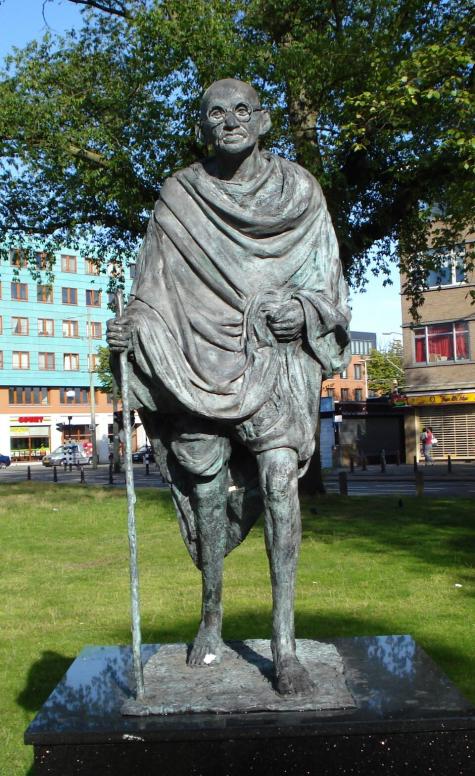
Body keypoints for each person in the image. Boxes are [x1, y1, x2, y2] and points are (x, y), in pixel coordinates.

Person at [107, 78, 350, 695]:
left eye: (242, 110)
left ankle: (285, 644)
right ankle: (212, 614)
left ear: (264, 121)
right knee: (207, 490)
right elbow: (151, 286)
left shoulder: (301, 193)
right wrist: (132, 325)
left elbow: (330, 290)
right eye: (216, 113)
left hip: (272, 356)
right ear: (201, 127)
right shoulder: (179, 197)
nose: (230, 121)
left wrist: (306, 312)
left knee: (277, 483)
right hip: (196, 359)